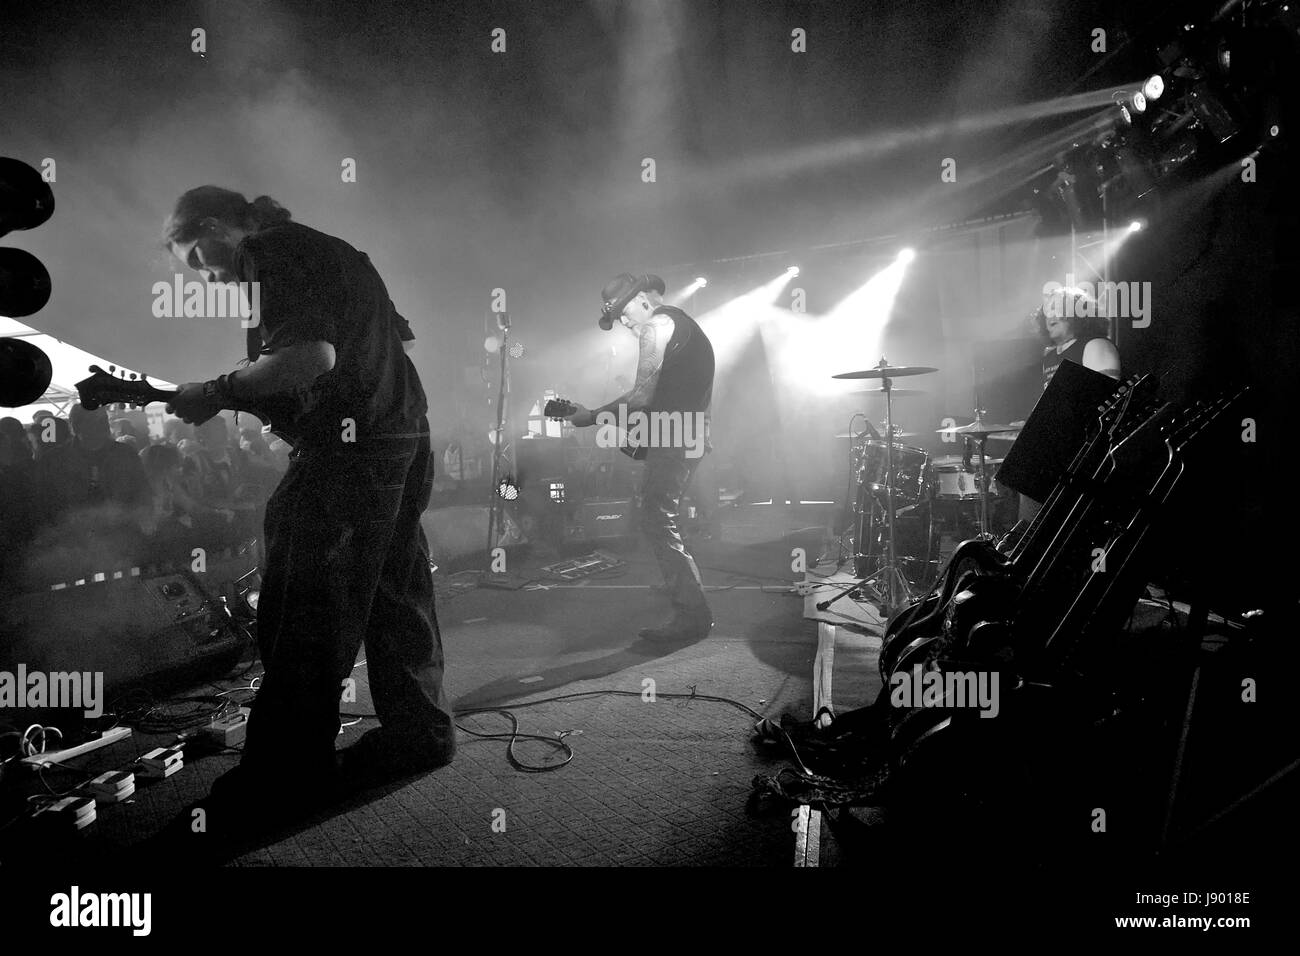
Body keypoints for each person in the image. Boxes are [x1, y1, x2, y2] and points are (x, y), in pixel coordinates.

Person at [161, 186, 454, 815]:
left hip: (349, 456)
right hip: (402, 434)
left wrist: (216, 389)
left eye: (195, 256)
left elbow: (309, 357)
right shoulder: (335, 251)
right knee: (394, 590)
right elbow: (383, 347)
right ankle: (421, 735)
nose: (204, 273)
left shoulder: (268, 250)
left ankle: (282, 781)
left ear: (216, 225)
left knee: (305, 607)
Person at [561, 273, 716, 642]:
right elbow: (654, 394)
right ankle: (683, 587)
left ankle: (691, 613)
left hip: (676, 437)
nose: (625, 323)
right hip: (686, 433)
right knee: (662, 514)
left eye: (624, 314)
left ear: (642, 301)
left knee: (655, 516)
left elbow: (641, 397)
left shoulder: (657, 325)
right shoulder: (685, 325)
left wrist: (592, 415)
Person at [1017, 287, 1122, 523]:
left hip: (1082, 451)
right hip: (1055, 448)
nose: (1050, 314)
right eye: (1047, 309)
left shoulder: (1095, 346)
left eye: (1058, 308)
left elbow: (1107, 404)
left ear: (1079, 313)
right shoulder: (1050, 355)